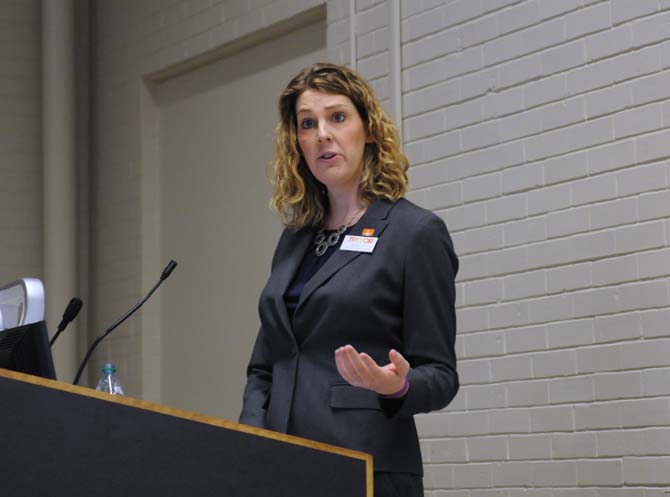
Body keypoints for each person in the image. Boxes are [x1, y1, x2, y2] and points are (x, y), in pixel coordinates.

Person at [239, 62, 459, 497]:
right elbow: (266, 364)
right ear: (297, 143)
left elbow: (441, 375)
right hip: (281, 465)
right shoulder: (294, 240)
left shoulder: (414, 234)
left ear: (369, 130)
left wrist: (396, 384)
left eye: (337, 117)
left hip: (365, 469)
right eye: (308, 123)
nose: (322, 133)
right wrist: (249, 436)